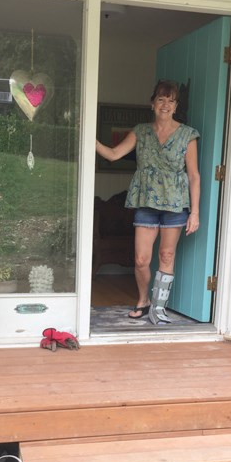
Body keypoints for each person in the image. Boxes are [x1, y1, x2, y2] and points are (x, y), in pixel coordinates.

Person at [94, 80, 200, 324]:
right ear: (152, 104)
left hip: (175, 205)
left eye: (170, 100)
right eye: (161, 99)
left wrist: (194, 212)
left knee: (166, 254)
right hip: (146, 202)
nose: (165, 105)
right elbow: (113, 154)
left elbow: (194, 176)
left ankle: (159, 308)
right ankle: (144, 301)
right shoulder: (141, 131)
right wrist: (91, 138)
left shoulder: (187, 135)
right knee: (141, 259)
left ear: (176, 106)